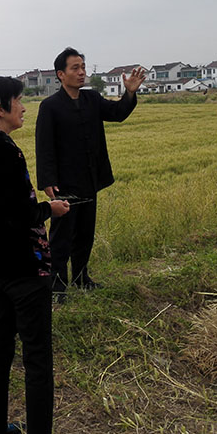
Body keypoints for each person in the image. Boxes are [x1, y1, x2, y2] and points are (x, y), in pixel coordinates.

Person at [0, 76, 74, 434]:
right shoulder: (7, 152)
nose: (24, 107)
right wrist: (51, 209)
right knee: (37, 359)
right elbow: (20, 213)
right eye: (17, 100)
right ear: (0, 109)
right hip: (26, 269)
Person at [35, 48, 145, 299]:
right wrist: (48, 180)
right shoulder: (50, 106)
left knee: (85, 233)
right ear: (61, 74)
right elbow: (44, 146)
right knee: (62, 235)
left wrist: (130, 92)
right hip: (64, 183)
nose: (82, 72)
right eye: (75, 68)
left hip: (89, 178)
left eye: (83, 67)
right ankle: (57, 285)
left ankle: (81, 277)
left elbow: (117, 113)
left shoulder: (92, 99)